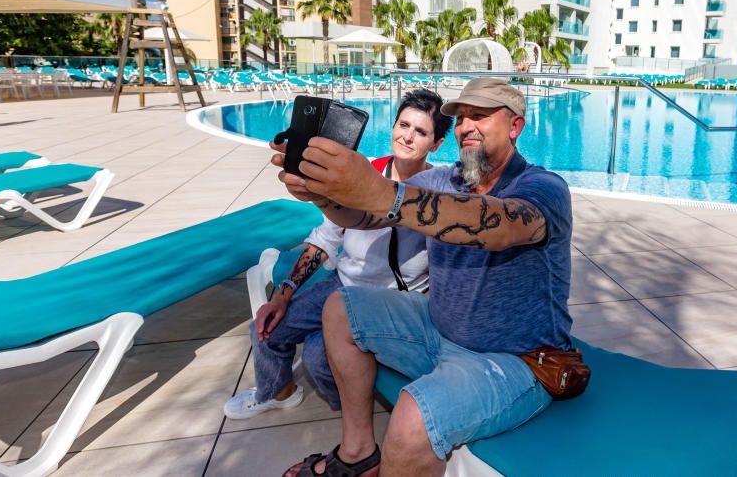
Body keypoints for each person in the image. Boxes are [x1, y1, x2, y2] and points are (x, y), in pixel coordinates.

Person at [271, 78, 574, 477]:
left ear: (515, 126)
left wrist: (383, 193)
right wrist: (323, 194)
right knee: (340, 307)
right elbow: (365, 216)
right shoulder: (440, 180)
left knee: (412, 422)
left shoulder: (543, 188)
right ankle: (359, 453)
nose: (466, 126)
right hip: (439, 327)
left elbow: (500, 226)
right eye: (461, 117)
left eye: (480, 115)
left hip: (517, 359)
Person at [223, 89, 452, 419]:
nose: (407, 136)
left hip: (388, 300)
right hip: (341, 284)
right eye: (403, 125)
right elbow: (327, 237)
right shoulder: (366, 173)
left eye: (420, 132)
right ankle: (278, 391)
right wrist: (284, 293)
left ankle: (351, 409)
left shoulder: (438, 191)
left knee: (318, 356)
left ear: (436, 143)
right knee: (268, 326)